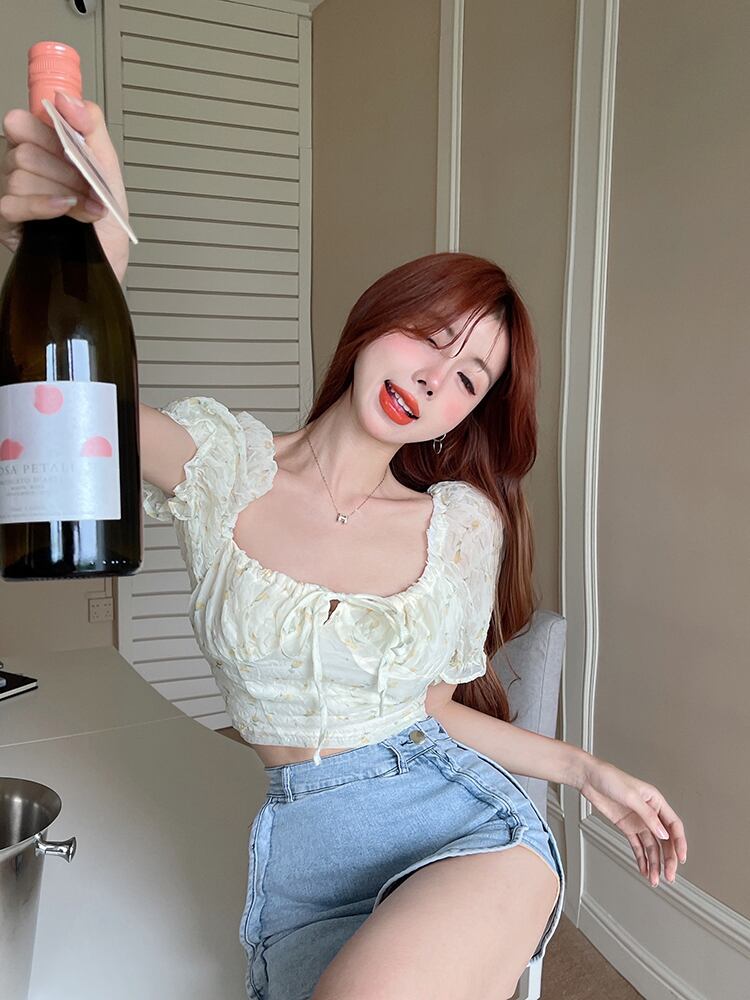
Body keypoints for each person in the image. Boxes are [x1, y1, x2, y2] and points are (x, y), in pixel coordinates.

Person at [1, 92, 687, 1000]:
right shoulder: (225, 466)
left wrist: (582, 767)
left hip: (461, 830)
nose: (433, 379)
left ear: (465, 415)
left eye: (467, 378)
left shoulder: (460, 527)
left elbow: (431, 711)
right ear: (376, 321)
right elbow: (72, 416)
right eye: (430, 338)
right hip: (303, 860)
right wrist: (88, 262)